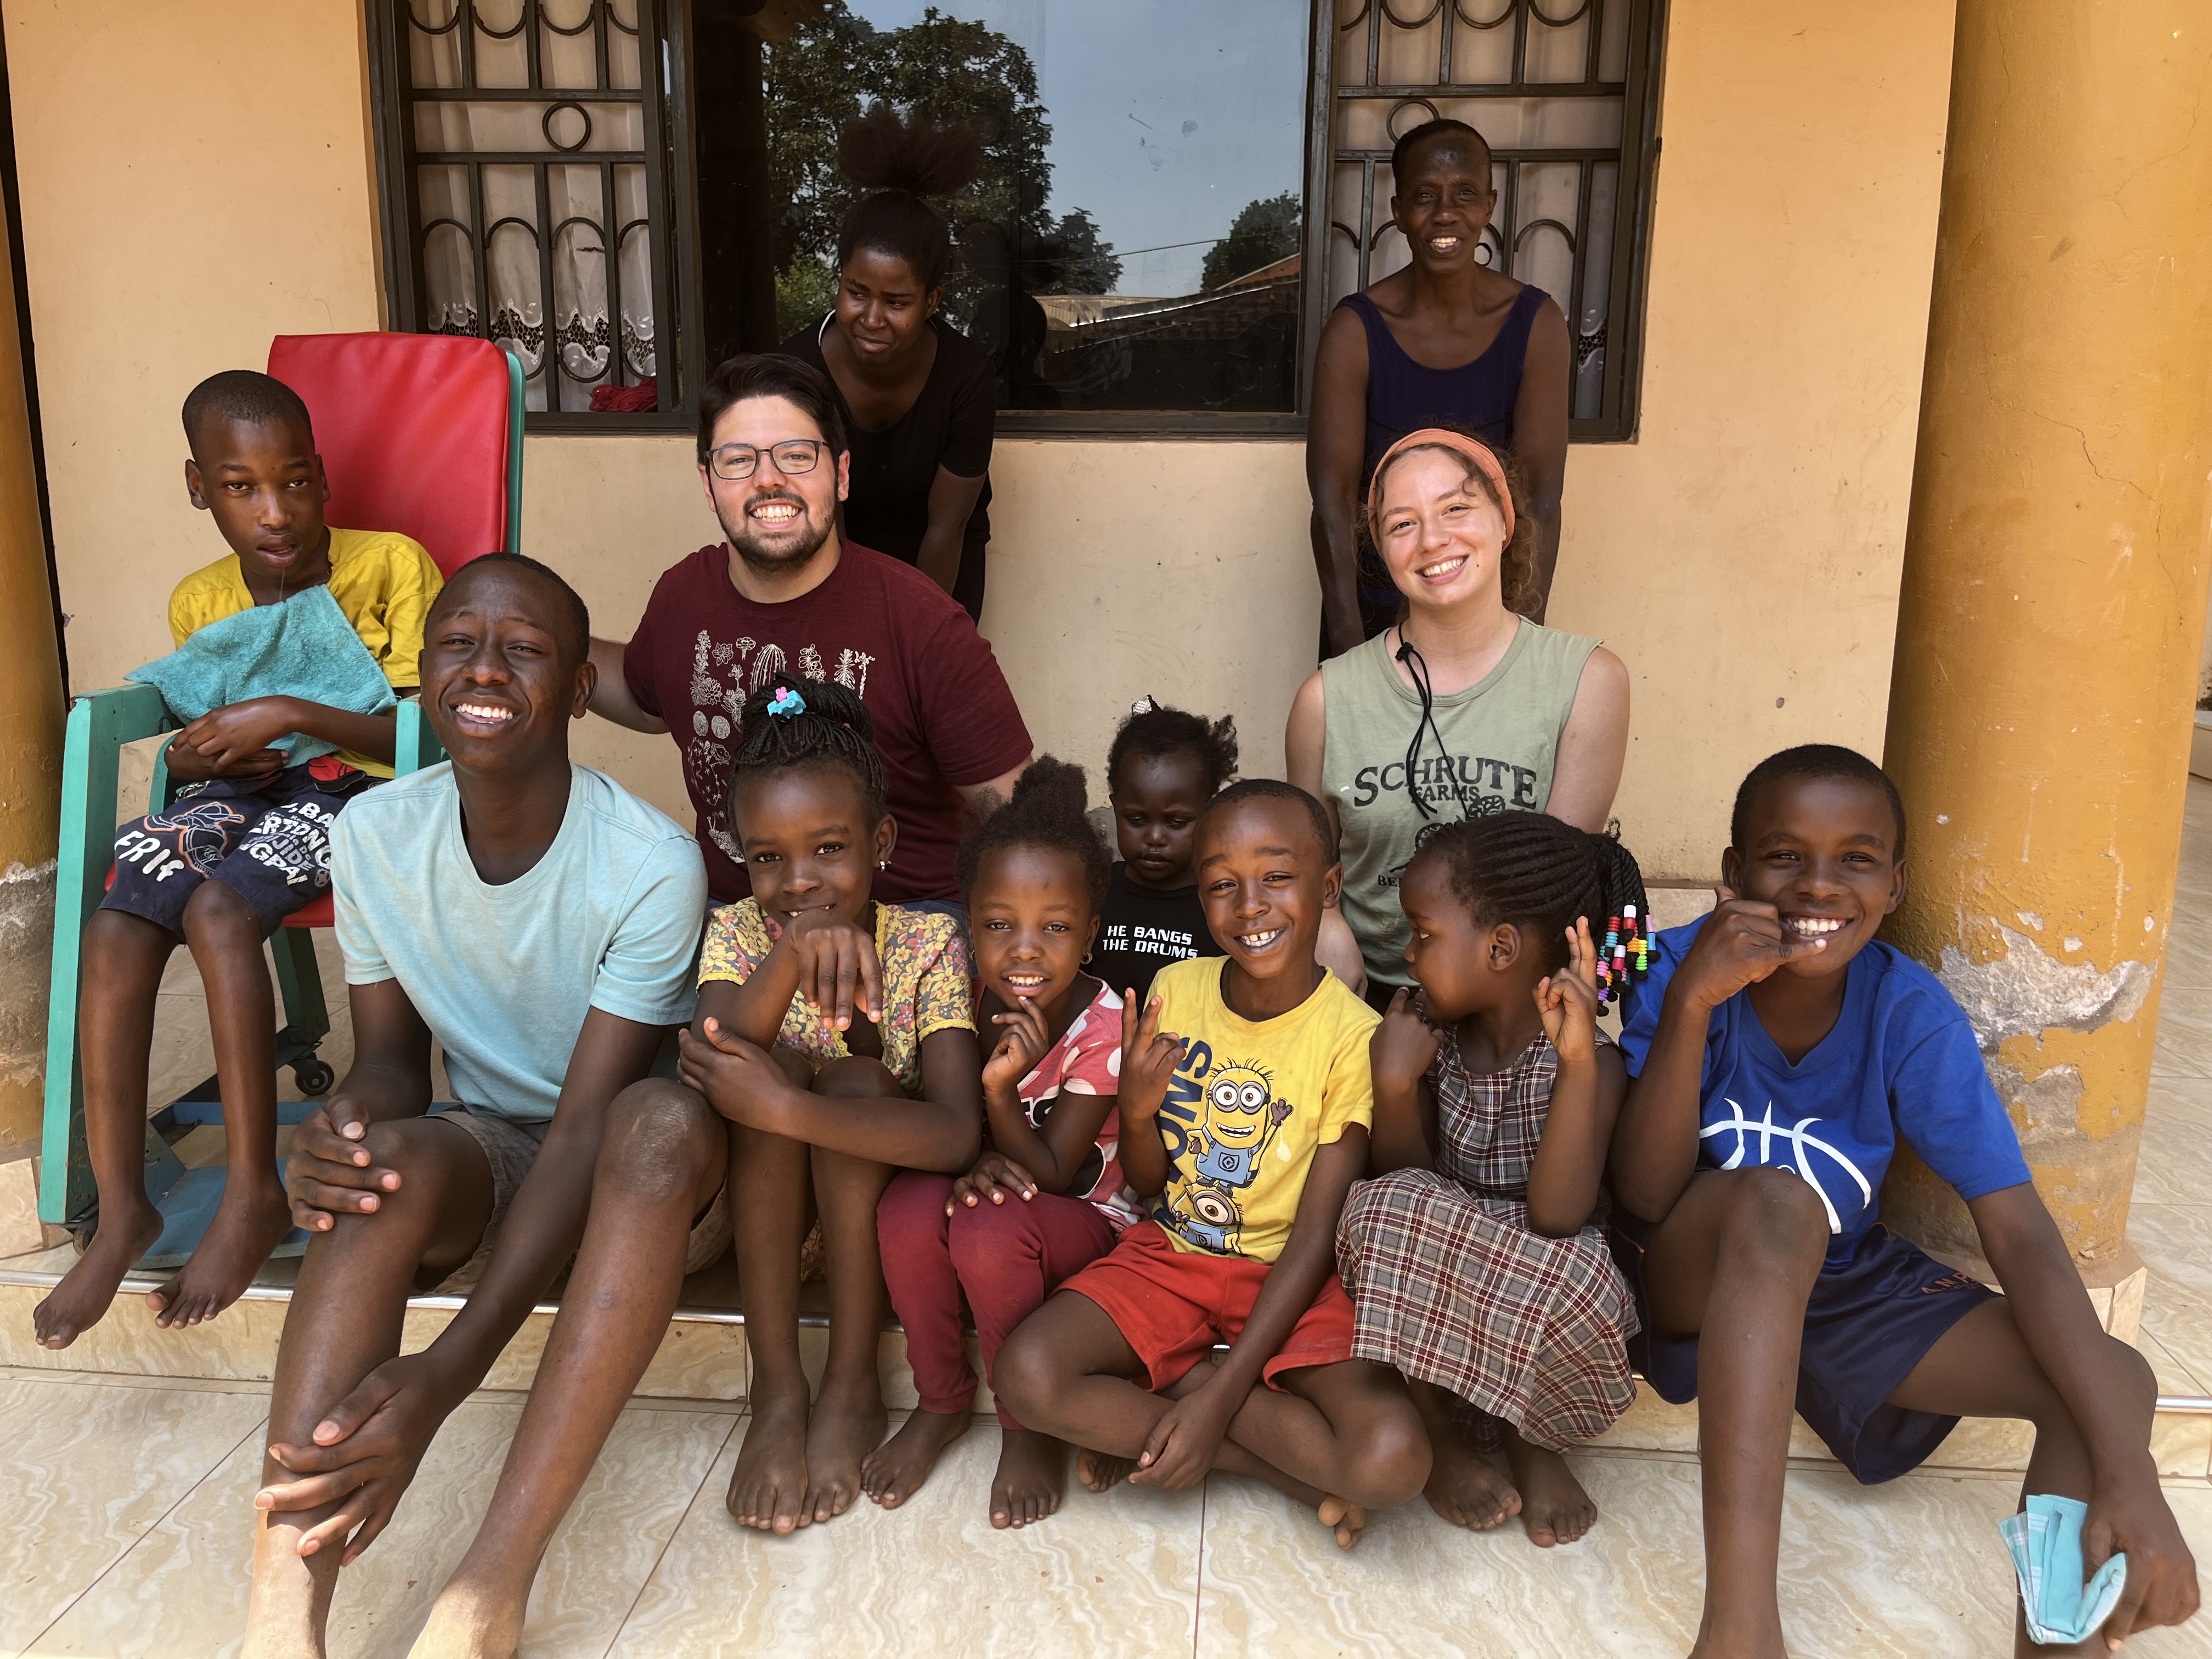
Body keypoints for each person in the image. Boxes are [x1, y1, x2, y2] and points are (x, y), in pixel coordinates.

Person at [1611, 745, 2199, 1657]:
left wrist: (2135, 1475)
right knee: (1779, 1204)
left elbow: (2017, 1228)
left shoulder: (1905, 1007)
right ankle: (1739, 1633)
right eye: (1781, 854)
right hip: (1693, 1261)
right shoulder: (1674, 964)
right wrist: (1690, 1001)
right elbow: (1643, 1190)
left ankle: (2056, 1647)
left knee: (2111, 1383)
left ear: (1894, 882)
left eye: (1854, 859)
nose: (1817, 885)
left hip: (1833, 1278)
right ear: (1732, 875)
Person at [238, 554, 714, 1659]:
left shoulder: (649, 863)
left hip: (637, 1183)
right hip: (494, 1144)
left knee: (657, 1125)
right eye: (458, 643)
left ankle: (487, 1592)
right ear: (421, 668)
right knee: (377, 1169)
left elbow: (590, 1129)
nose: (485, 668)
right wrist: (341, 1126)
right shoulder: (372, 837)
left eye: (527, 649)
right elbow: (394, 1064)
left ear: (581, 690)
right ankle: (281, 1597)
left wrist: (445, 1374)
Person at [32, 371, 444, 1351]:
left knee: (218, 911)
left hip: (361, 786)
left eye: (295, 482)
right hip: (244, 789)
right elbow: (192, 723)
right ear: (197, 488)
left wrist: (293, 711)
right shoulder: (201, 599)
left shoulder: (389, 565)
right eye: (241, 487)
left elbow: (427, 722)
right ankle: (123, 1198)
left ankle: (255, 1187)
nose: (276, 511)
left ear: (324, 479)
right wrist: (193, 751)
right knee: (125, 908)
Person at [993, 781, 1430, 1551]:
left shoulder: (1350, 1036)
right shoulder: (1176, 990)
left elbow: (1316, 1234)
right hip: (1174, 1256)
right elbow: (1152, 1183)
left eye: (1277, 877)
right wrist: (1133, 1110)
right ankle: (1273, 1470)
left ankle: (1182, 1383)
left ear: (1328, 889)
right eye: (1223, 884)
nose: (1250, 905)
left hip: (1291, 1275)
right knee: (1027, 1375)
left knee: (1393, 1461)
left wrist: (1216, 1395)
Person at [675, 675, 985, 1537]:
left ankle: (852, 1380)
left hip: (873, 1233)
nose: (798, 880)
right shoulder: (738, 932)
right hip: (764, 1219)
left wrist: (792, 1111)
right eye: (768, 857)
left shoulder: (927, 945)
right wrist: (799, 947)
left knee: (845, 1082)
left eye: (829, 850)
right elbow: (721, 1042)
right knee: (766, 1057)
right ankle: (778, 1386)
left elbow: (959, 1133)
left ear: (882, 842)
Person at [588, 352, 1031, 909]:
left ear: (841, 475)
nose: (769, 479)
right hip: (733, 927)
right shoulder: (684, 596)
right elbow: (646, 696)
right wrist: (547, 647)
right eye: (738, 459)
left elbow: (1018, 816)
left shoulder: (921, 622)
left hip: (901, 930)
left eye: (796, 456)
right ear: (708, 483)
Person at [1337, 811, 1643, 1550]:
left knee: (1586, 1275)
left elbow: (1560, 1217)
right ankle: (1438, 1430)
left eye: (1424, 934)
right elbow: (1405, 1182)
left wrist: (1573, 1069)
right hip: (1441, 1276)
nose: (1407, 957)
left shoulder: (1590, 1064)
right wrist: (1396, 1083)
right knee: (1377, 1211)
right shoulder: (1426, 1036)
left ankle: (1531, 1436)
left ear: (1500, 947)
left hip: (1535, 1269)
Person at [868, 759, 1137, 1529]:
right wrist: (979, 1146)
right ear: (967, 920)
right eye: (997, 925)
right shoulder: (965, 995)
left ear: (1089, 931)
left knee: (988, 1230)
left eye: (1054, 928)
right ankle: (943, 1399)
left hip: (1085, 1216)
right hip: (995, 1184)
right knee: (907, 1208)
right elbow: (943, 1121)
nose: (1024, 950)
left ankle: (1026, 1424)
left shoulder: (1104, 1024)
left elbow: (1054, 1171)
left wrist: (996, 1096)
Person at [1286, 426, 1627, 1009]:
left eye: (1456, 508)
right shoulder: (1325, 699)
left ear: (1504, 520)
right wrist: (1324, 920)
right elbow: (1305, 866)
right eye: (1402, 523)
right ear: (1381, 547)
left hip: (1518, 1004)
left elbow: (1555, 884)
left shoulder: (1588, 679)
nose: (1432, 539)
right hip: (1367, 1000)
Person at [1308, 117, 1571, 647]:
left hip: (1487, 609)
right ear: (1398, 212)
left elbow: (1542, 499)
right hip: (1375, 609)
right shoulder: (1356, 330)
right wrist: (1349, 650)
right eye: (1425, 196)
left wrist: (1522, 643)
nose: (1445, 212)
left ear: (1490, 206)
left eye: (1464, 194)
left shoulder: (1537, 324)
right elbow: (1332, 502)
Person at [777, 105, 997, 622]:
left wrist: (917, 641)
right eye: (857, 292)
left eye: (896, 302)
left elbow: (947, 526)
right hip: (826, 545)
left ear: (932, 301)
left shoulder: (966, 378)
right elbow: (820, 518)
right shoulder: (794, 370)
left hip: (940, 550)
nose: (871, 318)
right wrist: (853, 630)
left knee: (929, 680)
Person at [1088, 698, 1236, 1005]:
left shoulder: (1224, 903)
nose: (1155, 837)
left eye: (1176, 822)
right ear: (1116, 808)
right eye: (1137, 820)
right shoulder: (1093, 892)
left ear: (1209, 812)